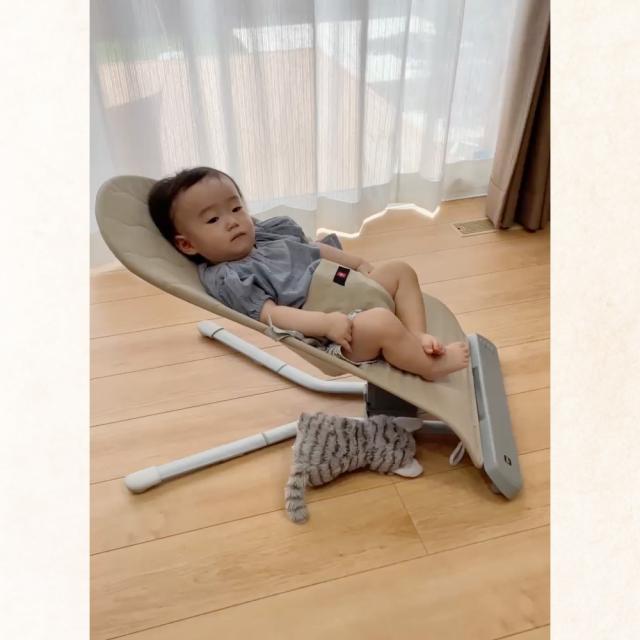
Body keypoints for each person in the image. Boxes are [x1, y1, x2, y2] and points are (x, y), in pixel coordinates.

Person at [148, 167, 469, 381]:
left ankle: (417, 336)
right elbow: (271, 315)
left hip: (347, 286)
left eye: (236, 208)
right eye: (213, 220)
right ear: (187, 244)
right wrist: (325, 324)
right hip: (339, 330)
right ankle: (429, 367)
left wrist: (356, 262)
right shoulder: (230, 278)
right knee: (382, 322)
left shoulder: (268, 234)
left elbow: (313, 250)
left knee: (400, 270)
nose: (232, 221)